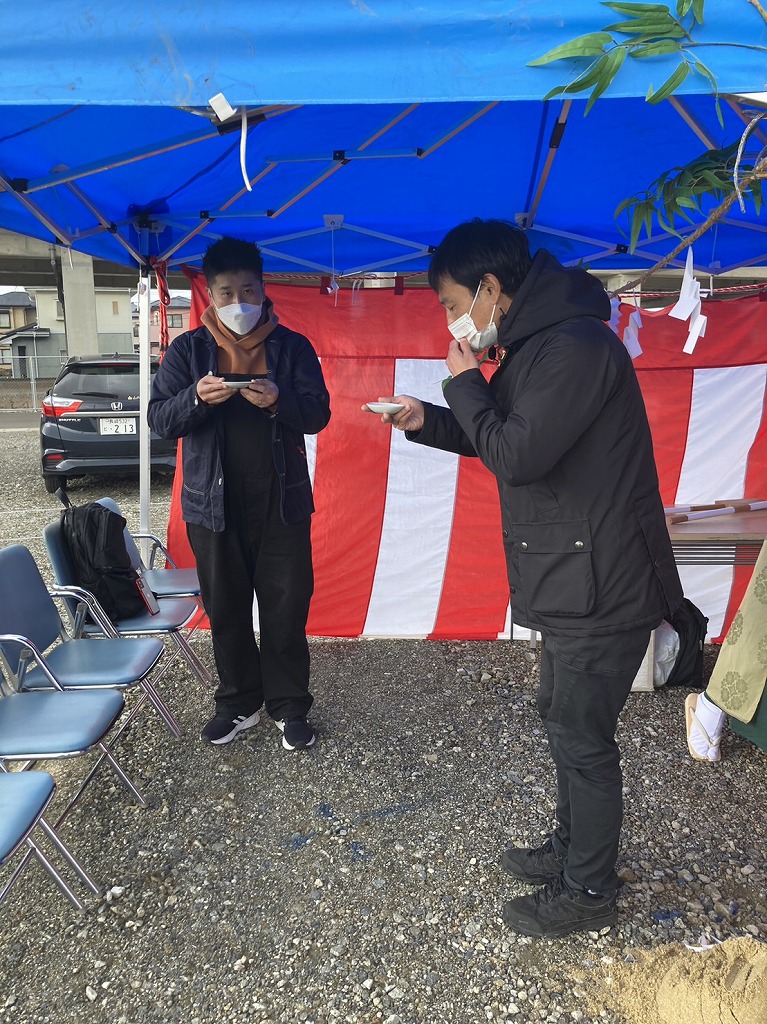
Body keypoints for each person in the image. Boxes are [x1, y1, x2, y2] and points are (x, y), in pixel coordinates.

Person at [366, 219, 683, 938]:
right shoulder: (541, 345)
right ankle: (571, 850)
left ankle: (588, 892)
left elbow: (515, 454)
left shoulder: (573, 346)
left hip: (600, 579)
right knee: (561, 718)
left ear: (490, 289)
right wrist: (427, 419)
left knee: (582, 737)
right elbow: (504, 434)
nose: (453, 321)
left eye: (453, 304)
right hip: (575, 573)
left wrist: (458, 380)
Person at [148, 236, 331, 751]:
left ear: (263, 286)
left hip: (282, 500)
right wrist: (194, 399)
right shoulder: (188, 350)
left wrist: (280, 400)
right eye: (226, 293)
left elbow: (318, 413)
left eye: (248, 290)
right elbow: (160, 419)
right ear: (210, 294)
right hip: (212, 504)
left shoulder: (291, 346)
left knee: (286, 605)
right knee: (225, 607)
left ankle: (290, 705)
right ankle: (237, 704)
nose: (238, 303)